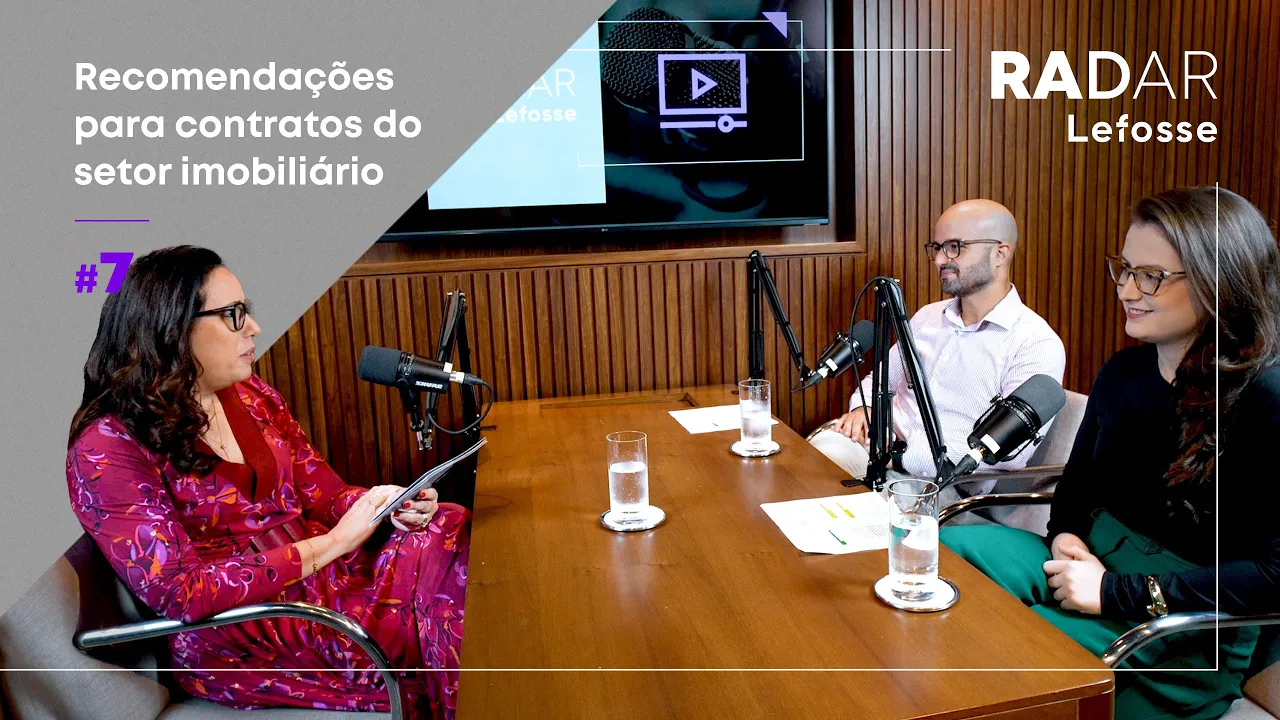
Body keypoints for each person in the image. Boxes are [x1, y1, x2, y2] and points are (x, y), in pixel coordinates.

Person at [66, 246, 470, 720]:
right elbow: (180, 591)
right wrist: (335, 543)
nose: (254, 328)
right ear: (171, 327)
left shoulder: (252, 395)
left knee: (444, 526)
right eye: (233, 315)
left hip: (326, 579)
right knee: (446, 604)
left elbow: (327, 497)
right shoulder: (107, 447)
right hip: (245, 631)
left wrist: (382, 504)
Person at [940, 187, 1280, 720]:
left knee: (1001, 655)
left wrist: (1115, 592)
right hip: (1093, 565)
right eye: (1124, 269)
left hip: (1185, 622)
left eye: (1152, 276)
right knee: (938, 554)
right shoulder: (1123, 373)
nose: (1126, 289)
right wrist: (1067, 537)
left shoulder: (1266, 397)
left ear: (1221, 283)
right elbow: (1077, 487)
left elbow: (1272, 575)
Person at [809, 199, 1065, 499]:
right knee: (806, 466)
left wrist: (901, 455)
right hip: (876, 452)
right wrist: (862, 409)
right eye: (937, 247)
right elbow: (880, 381)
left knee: (839, 514)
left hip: (944, 485)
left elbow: (1008, 454)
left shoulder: (1035, 343)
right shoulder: (928, 317)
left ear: (1000, 253)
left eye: (955, 247)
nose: (940, 259)